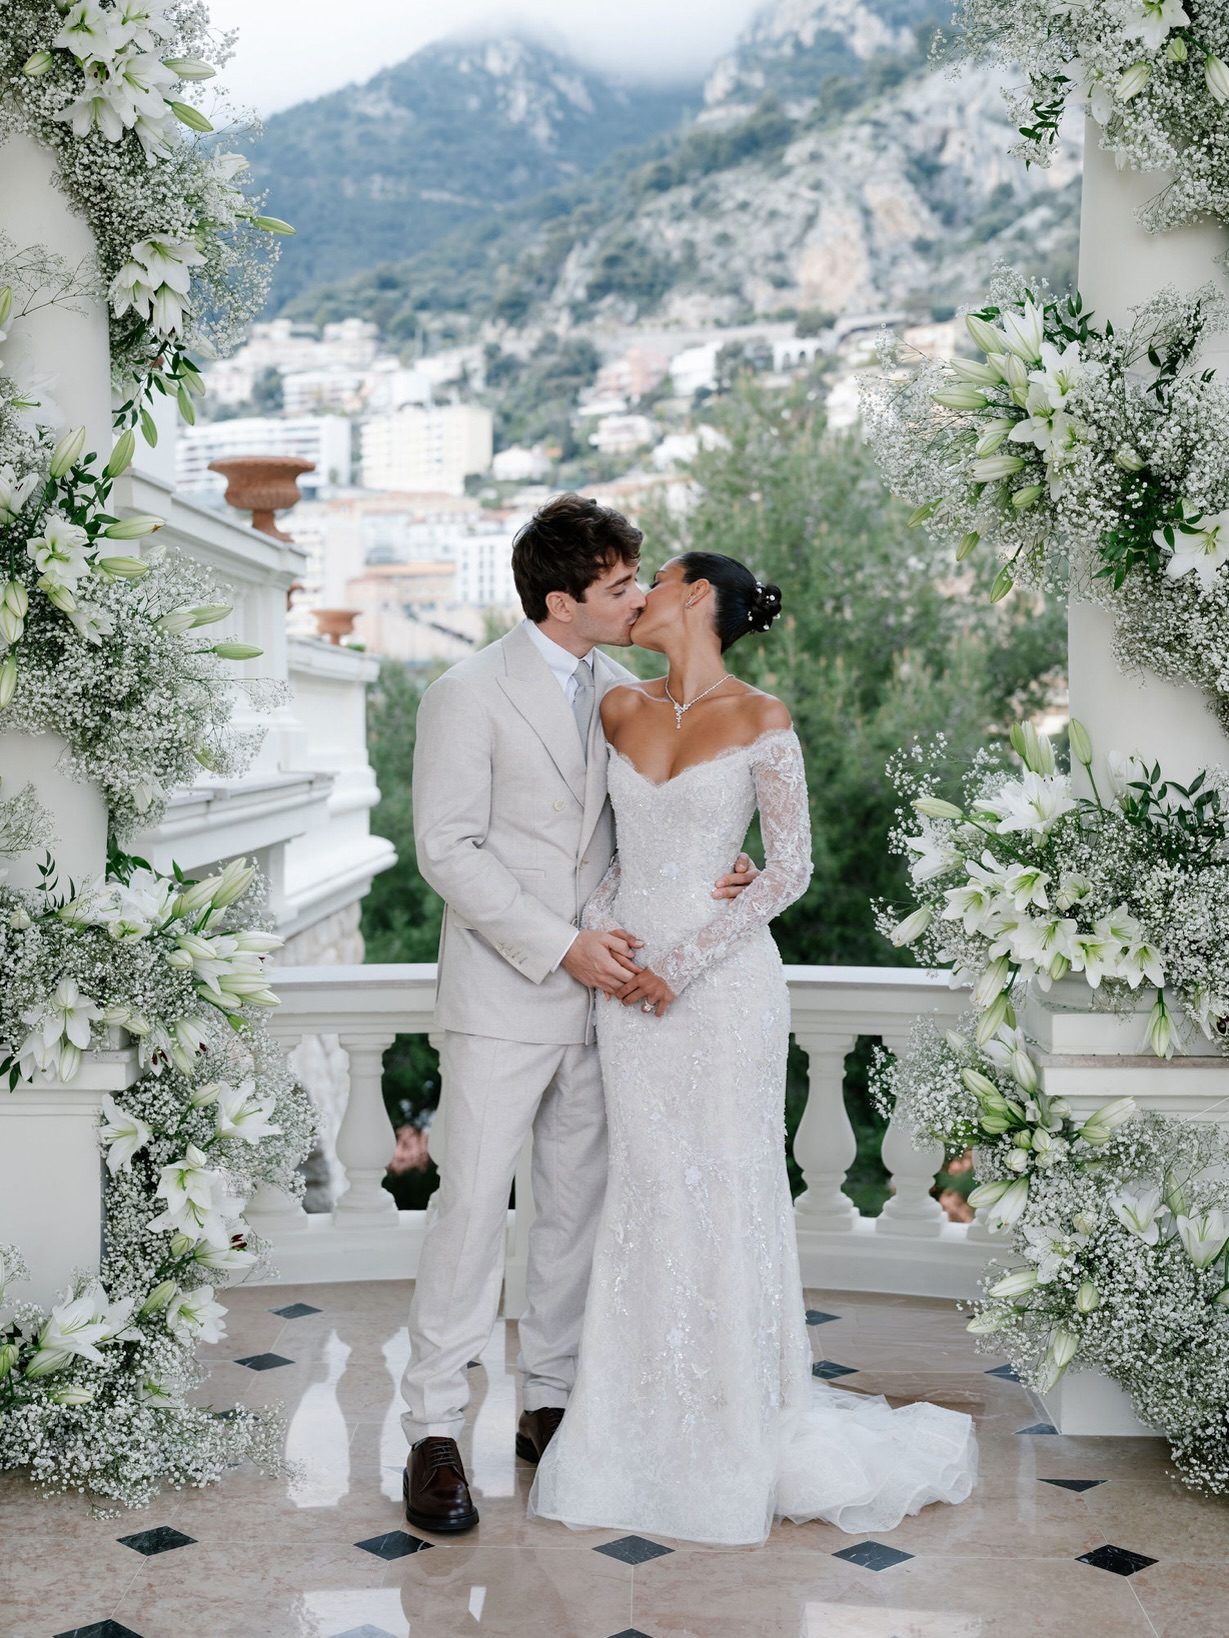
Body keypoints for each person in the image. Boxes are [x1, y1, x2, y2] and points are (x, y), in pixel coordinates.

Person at [527, 551, 978, 1546]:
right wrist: (607, 946)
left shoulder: (763, 718)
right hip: (626, 987)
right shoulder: (613, 709)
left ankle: (736, 1426)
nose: (637, 592)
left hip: (722, 990)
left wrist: (678, 964)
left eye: (657, 577)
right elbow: (598, 861)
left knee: (725, 1187)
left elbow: (788, 871)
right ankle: (630, 1427)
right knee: (643, 1191)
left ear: (694, 597)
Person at [402, 497, 758, 1533]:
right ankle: (432, 1432)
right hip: (505, 996)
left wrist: (716, 869)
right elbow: (447, 849)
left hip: (606, 1007)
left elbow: (658, 821)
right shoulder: (462, 694)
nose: (639, 597)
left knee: (571, 1213)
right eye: (615, 588)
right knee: (470, 1210)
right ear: (560, 602)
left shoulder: (625, 695)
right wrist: (561, 945)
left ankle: (548, 1407)